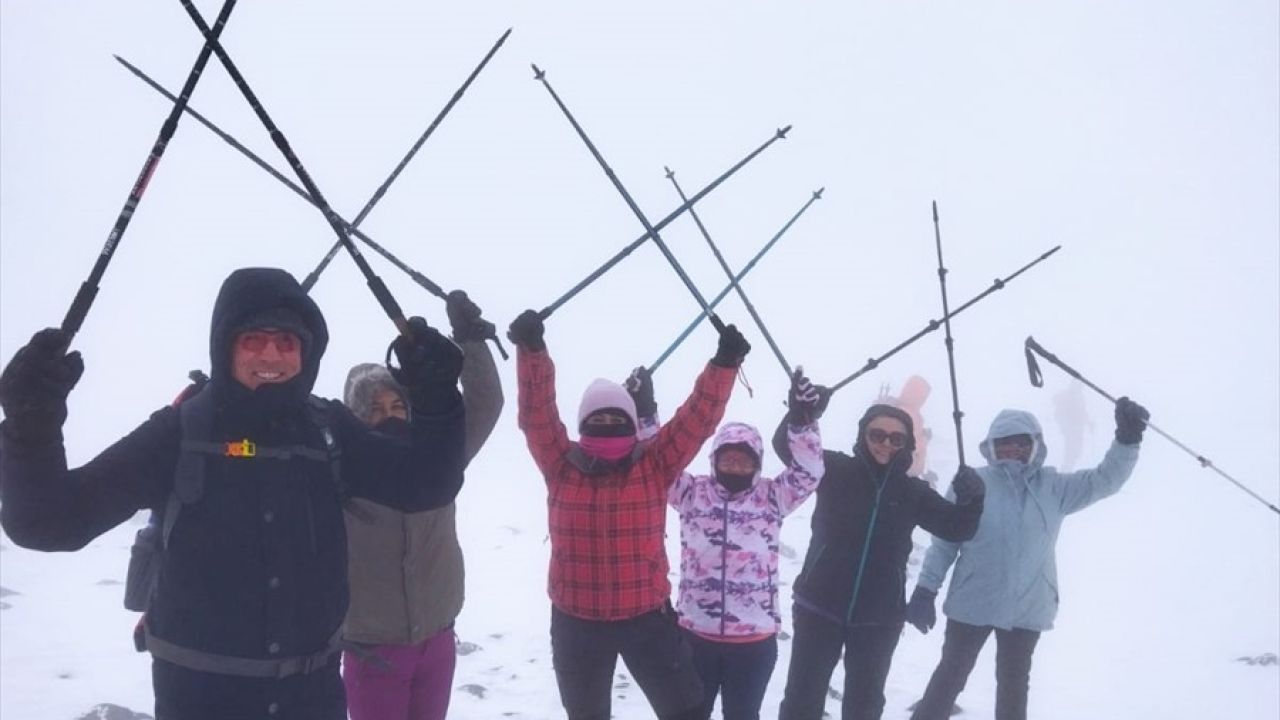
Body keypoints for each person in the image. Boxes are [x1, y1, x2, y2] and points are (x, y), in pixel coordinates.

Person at [0, 267, 467, 720]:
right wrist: (31, 428)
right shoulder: (178, 433)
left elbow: (427, 483)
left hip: (312, 699)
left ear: (307, 353)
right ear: (224, 347)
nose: (270, 356)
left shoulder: (329, 431)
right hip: (200, 703)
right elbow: (50, 522)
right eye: (253, 340)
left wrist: (438, 397)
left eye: (286, 342)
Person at [506, 308, 750, 720]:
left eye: (617, 419)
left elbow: (697, 420)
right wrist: (533, 351)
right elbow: (537, 417)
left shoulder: (653, 464)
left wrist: (724, 365)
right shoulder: (561, 463)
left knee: (685, 710)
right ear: (583, 425)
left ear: (632, 424)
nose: (607, 424)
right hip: (576, 621)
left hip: (647, 619)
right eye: (597, 419)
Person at [905, 399, 1148, 720]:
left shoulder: (1055, 487)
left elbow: (1104, 480)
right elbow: (945, 543)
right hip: (972, 602)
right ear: (991, 447)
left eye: (1021, 444)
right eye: (1004, 445)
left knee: (1013, 686)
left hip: (1028, 606)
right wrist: (926, 589)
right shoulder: (972, 484)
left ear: (1035, 445)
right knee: (950, 676)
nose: (1012, 451)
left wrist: (1127, 440)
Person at [340, 290, 504, 720]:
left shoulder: (437, 457)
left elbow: (485, 404)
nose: (390, 414)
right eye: (375, 409)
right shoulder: (340, 469)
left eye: (398, 404)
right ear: (356, 418)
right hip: (371, 648)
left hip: (437, 640)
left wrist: (470, 340)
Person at [775, 402, 986, 720]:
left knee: (865, 706)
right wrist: (801, 416)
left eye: (895, 439)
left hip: (879, 618)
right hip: (818, 605)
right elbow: (787, 448)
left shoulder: (913, 492)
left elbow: (957, 528)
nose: (885, 443)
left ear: (907, 445)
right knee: (802, 700)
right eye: (877, 434)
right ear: (863, 435)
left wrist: (973, 501)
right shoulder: (834, 469)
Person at [666, 368, 826, 720]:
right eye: (727, 456)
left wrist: (802, 424)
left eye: (744, 457)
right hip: (695, 637)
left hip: (754, 643)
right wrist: (646, 416)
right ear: (714, 459)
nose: (735, 462)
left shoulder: (772, 496)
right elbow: (657, 466)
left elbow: (809, 472)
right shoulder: (692, 492)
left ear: (756, 463)